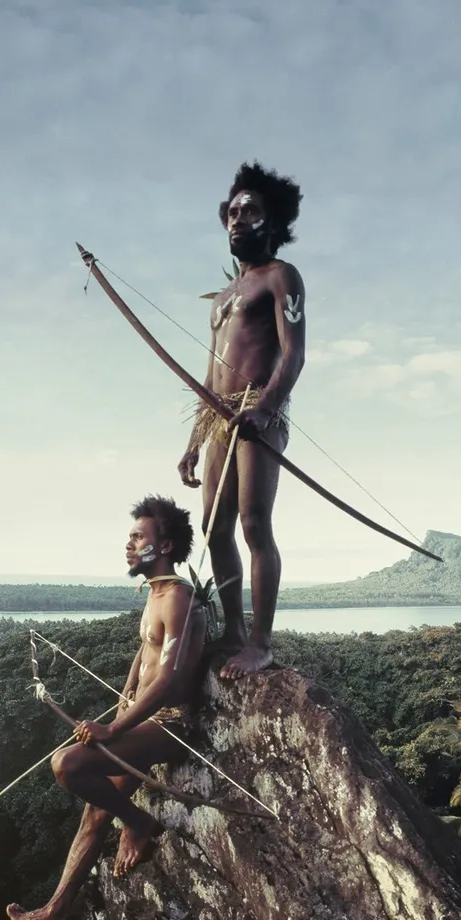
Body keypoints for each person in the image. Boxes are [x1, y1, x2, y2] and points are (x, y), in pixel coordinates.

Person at [6, 496, 208, 920]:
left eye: (139, 537)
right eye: (130, 536)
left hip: (171, 723)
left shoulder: (177, 598)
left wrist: (116, 728)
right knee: (95, 813)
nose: (129, 545)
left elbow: (171, 675)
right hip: (143, 720)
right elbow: (146, 653)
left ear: (166, 545)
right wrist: (126, 695)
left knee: (68, 764)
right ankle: (55, 913)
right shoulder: (155, 594)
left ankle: (139, 823)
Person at [178, 162, 306, 679]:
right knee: (214, 526)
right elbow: (211, 375)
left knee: (254, 523)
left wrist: (265, 408)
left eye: (249, 210)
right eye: (231, 212)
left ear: (270, 221)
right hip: (218, 419)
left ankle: (260, 641)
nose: (237, 219)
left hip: (259, 413)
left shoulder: (281, 277)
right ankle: (233, 628)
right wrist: (193, 441)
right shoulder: (225, 298)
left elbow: (294, 355)